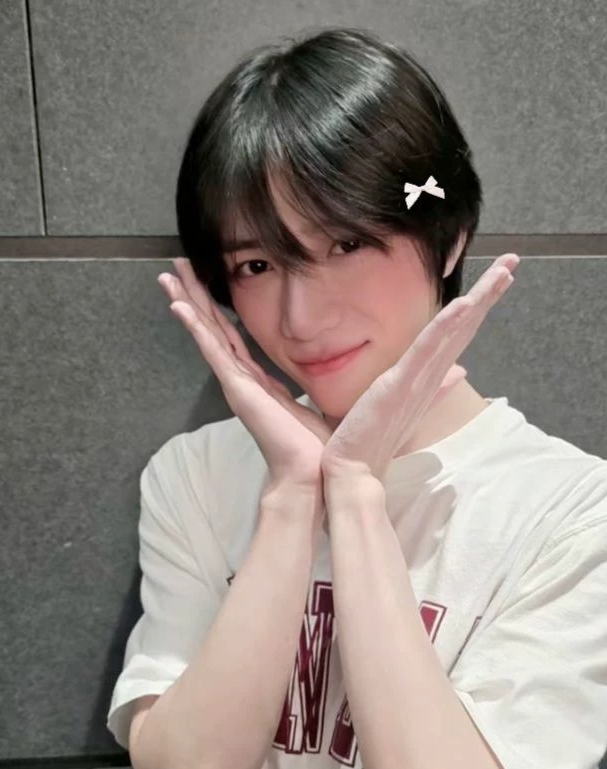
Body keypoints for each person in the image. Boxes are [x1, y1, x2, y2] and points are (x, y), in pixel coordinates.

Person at [106, 27, 607, 769]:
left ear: (447, 237)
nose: (300, 319)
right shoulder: (196, 477)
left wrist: (355, 493)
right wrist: (291, 495)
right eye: (256, 264)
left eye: (345, 244)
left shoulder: (572, 513)